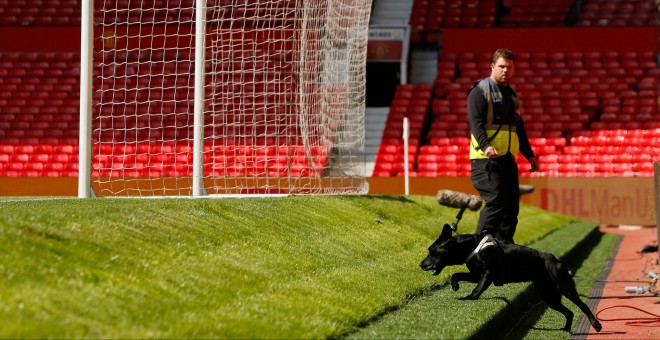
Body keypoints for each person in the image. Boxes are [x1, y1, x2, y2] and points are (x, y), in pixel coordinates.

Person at [467, 48, 538, 244]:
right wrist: (486, 147)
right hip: (485, 161)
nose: (505, 70)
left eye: (509, 67)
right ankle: (478, 248)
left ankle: (503, 249)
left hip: (507, 160)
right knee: (496, 202)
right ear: (492, 67)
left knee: (511, 209)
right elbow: (476, 125)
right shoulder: (479, 92)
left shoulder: (513, 96)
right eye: (501, 66)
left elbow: (519, 128)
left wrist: (529, 154)